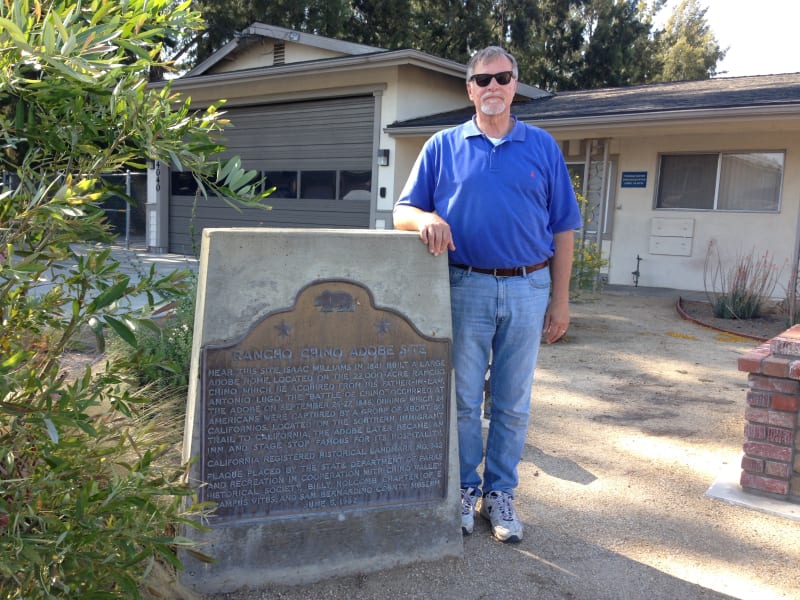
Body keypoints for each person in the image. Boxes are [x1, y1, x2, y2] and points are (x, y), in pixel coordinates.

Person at [393, 46, 581, 543]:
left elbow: (564, 227)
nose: (492, 87)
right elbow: (402, 210)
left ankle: (500, 496)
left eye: (502, 78)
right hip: (465, 285)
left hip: (529, 287)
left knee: (513, 402)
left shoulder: (541, 147)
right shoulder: (442, 146)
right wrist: (427, 217)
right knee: (461, 399)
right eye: (482, 80)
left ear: (515, 84)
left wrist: (560, 300)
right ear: (469, 89)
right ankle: (462, 491)